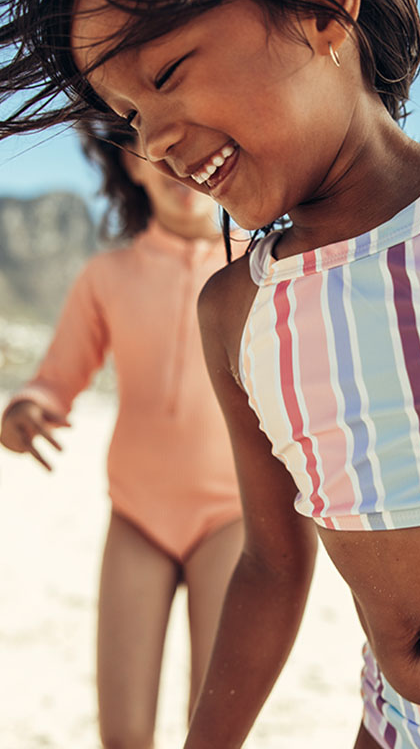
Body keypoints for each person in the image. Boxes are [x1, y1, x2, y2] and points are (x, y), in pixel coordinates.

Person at [1, 0, 420, 748]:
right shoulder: (236, 312)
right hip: (389, 718)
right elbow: (271, 565)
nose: (154, 142)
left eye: (170, 72)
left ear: (322, 10)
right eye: (131, 117)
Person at [0, 124, 244, 749]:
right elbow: (57, 378)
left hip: (235, 520)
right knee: (123, 736)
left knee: (210, 734)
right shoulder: (107, 277)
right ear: (130, 165)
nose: (177, 161)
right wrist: (26, 409)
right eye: (156, 152)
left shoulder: (261, 268)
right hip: (137, 516)